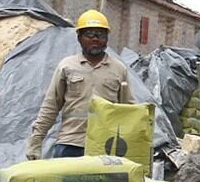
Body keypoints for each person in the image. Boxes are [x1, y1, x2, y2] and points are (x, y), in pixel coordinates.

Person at [26, 10, 133, 160]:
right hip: (70, 143)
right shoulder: (67, 66)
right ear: (79, 37)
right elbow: (51, 105)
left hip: (105, 145)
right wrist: (35, 141)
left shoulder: (119, 69)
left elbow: (128, 110)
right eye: (89, 34)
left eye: (100, 35)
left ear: (107, 38)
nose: (95, 39)